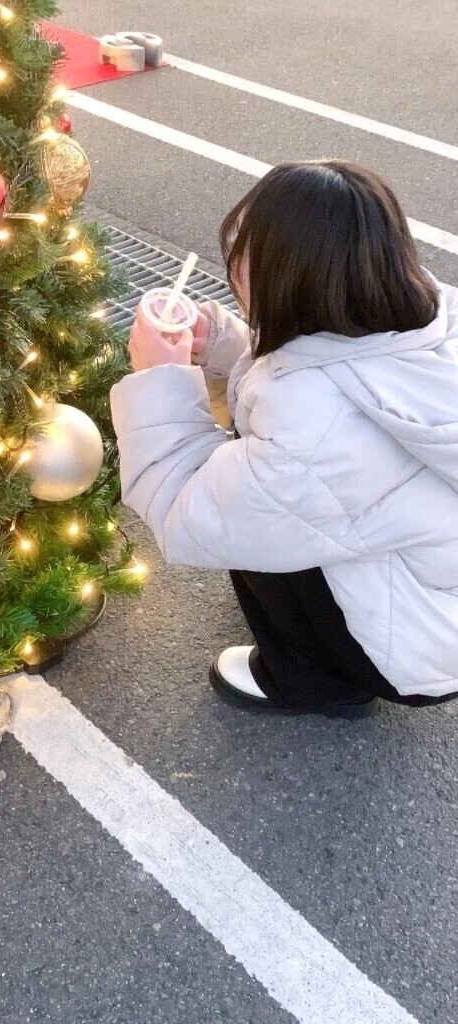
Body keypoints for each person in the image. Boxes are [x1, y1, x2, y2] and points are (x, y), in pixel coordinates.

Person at [110, 161, 458, 714]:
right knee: (275, 496)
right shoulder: (426, 318)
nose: (236, 271)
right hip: (441, 607)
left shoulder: (315, 425)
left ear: (294, 279)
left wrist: (159, 381)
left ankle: (312, 680)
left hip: (416, 657)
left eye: (248, 258)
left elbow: (184, 511)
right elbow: (329, 368)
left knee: (244, 507)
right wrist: (224, 343)